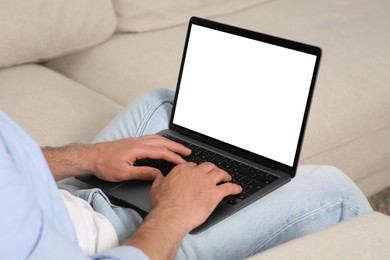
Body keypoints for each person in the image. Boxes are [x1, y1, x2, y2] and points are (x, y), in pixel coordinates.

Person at [1, 89, 372, 259]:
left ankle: (246, 177)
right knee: (332, 189)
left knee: (162, 103)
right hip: (125, 243)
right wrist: (173, 214)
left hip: (63, 203)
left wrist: (88, 157)